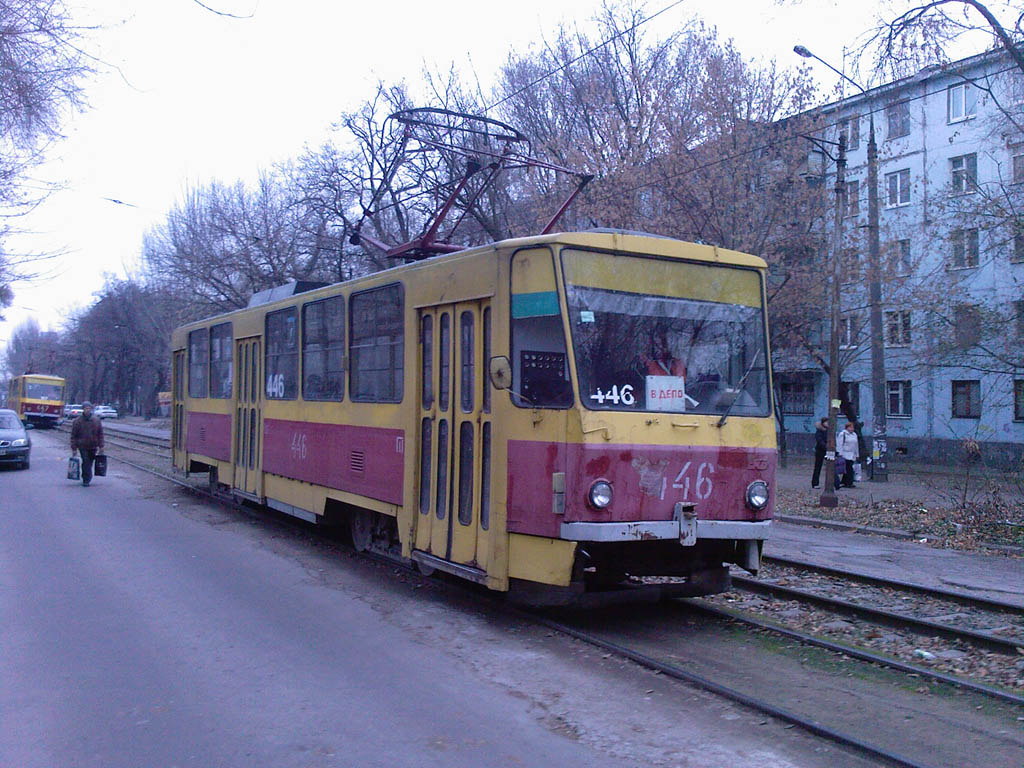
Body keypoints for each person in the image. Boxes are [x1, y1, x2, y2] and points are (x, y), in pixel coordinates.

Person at [70, 401, 104, 487]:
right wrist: (74, 448)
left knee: (90, 462)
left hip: (93, 445)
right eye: (86, 408)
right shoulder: (77, 421)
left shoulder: (96, 420)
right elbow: (73, 435)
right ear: (83, 409)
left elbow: (100, 434)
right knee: (85, 462)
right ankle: (86, 479)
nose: (87, 410)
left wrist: (101, 446)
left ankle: (86, 477)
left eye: (89, 408)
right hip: (82, 445)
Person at [836, 419, 859, 488]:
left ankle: (844, 482)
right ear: (847, 427)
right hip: (845, 454)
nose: (852, 429)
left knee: (848, 469)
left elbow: (856, 445)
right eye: (850, 427)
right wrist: (840, 453)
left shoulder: (854, 434)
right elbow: (839, 444)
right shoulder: (843, 434)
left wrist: (857, 454)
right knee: (849, 469)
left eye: (853, 427)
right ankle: (849, 482)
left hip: (852, 454)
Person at [811, 416, 828, 488]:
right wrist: (826, 446)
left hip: (827, 450)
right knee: (818, 467)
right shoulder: (819, 431)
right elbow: (819, 440)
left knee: (831, 466)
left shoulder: (829, 431)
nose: (828, 423)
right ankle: (815, 483)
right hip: (820, 451)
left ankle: (835, 483)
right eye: (826, 422)